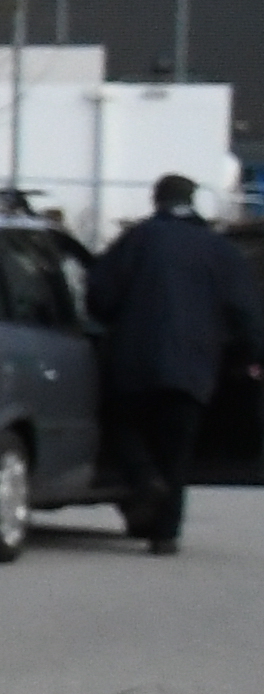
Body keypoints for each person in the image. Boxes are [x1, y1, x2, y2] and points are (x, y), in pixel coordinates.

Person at [86, 170, 261, 553]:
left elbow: (100, 293)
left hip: (135, 361)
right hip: (192, 367)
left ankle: (144, 479)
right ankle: (164, 534)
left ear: (157, 200)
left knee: (122, 426)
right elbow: (244, 311)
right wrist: (250, 356)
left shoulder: (137, 240)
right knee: (177, 451)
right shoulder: (219, 250)